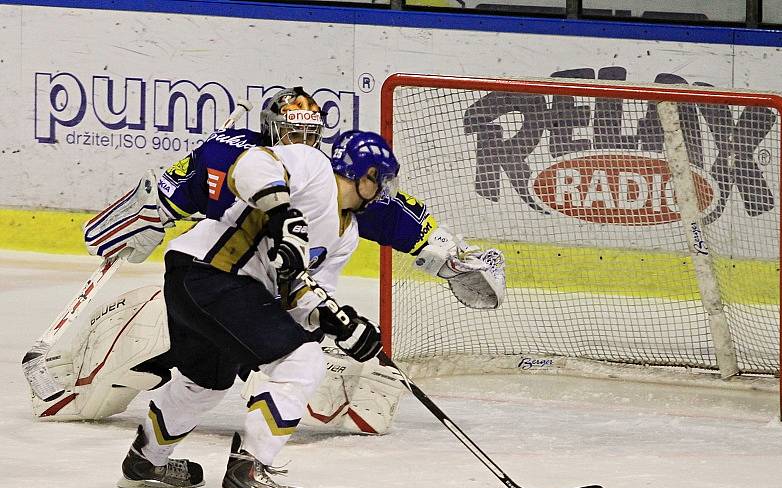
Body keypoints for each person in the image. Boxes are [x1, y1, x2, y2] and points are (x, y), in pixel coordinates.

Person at [75, 86, 506, 435]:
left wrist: (452, 258)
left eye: (310, 134)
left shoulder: (329, 178)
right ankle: (105, 385)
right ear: (270, 128)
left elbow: (396, 213)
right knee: (132, 359)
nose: (302, 142)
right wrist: (139, 215)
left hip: (257, 302)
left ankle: (160, 448)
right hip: (208, 280)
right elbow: (169, 194)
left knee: (327, 389)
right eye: (291, 132)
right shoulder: (234, 153)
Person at [114, 129, 403, 488]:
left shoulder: (346, 234)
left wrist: (341, 323)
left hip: (199, 280)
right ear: (364, 176)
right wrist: (283, 214)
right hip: (212, 273)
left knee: (205, 380)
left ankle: (145, 460)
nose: (385, 192)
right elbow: (249, 163)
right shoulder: (313, 167)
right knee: (302, 362)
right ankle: (248, 473)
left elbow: (298, 293)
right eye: (382, 181)